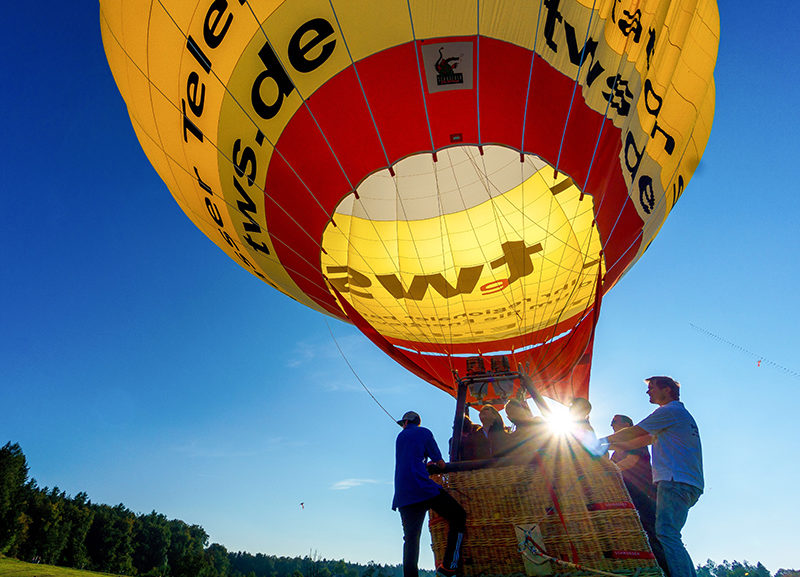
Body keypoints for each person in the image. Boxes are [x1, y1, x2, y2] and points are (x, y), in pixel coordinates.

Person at [603, 377, 703, 577]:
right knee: (669, 534)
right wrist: (607, 445)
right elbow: (640, 440)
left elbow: (634, 433)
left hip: (673, 482)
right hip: (689, 483)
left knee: (666, 534)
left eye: (651, 388)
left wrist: (598, 442)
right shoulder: (680, 416)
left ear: (666, 390)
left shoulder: (668, 411)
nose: (648, 392)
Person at [392, 411, 467, 577]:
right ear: (417, 421)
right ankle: (448, 567)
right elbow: (440, 463)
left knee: (411, 540)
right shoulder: (424, 432)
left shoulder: (400, 437)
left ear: (406, 422)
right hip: (423, 488)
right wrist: (434, 462)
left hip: (403, 495)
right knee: (458, 516)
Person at [609, 414, 668, 577]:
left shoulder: (634, 440)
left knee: (653, 536)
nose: (612, 425)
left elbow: (630, 462)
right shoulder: (617, 449)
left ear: (627, 424)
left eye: (615, 421)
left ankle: (668, 571)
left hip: (644, 493)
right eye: (611, 423)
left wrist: (607, 472)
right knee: (637, 536)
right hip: (629, 496)